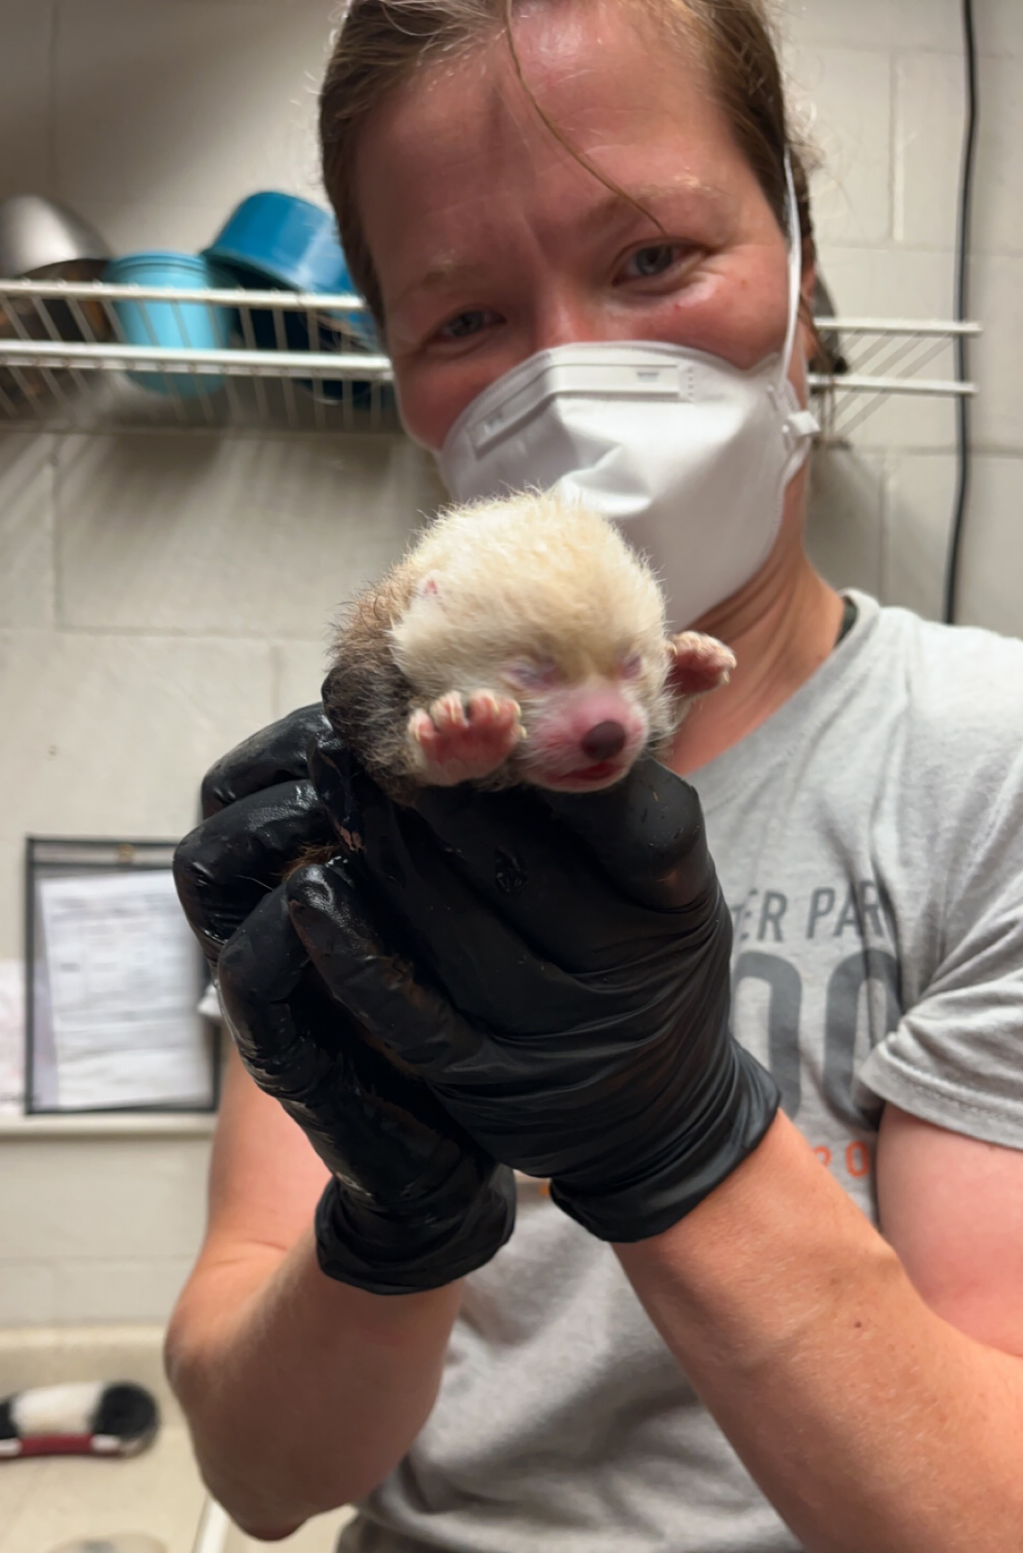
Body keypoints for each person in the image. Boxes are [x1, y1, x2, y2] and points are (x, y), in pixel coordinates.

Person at [167, 2, 1023, 1549]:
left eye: (650, 260)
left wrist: (677, 1137)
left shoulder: (986, 772)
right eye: (464, 319)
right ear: (404, 386)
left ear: (799, 286)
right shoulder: (373, 799)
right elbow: (257, 1472)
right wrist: (395, 1229)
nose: (572, 380)